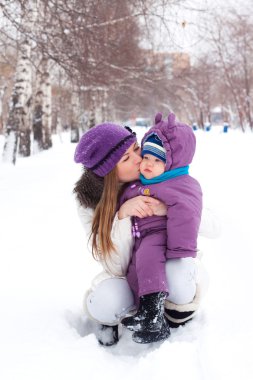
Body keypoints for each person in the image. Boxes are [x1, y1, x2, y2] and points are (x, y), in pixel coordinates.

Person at [73, 119, 220, 347]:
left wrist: (170, 208)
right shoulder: (90, 203)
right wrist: (122, 216)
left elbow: (214, 226)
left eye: (135, 148)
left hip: (169, 264)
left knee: (178, 277)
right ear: (109, 172)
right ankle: (117, 316)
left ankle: (175, 311)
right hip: (127, 276)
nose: (139, 159)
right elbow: (113, 264)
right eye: (126, 158)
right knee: (106, 301)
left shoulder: (161, 170)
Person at [119, 112, 202, 343]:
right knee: (136, 270)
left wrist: (178, 251)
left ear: (172, 163)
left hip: (160, 235)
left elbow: (187, 213)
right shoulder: (140, 183)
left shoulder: (181, 184)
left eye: (158, 161)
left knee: (148, 258)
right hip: (141, 237)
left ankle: (152, 314)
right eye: (146, 156)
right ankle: (145, 312)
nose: (148, 164)